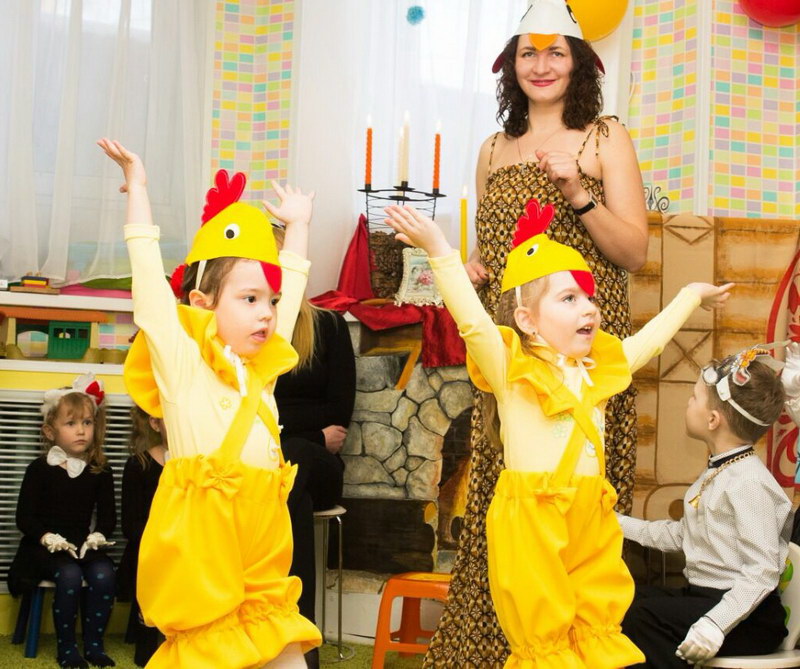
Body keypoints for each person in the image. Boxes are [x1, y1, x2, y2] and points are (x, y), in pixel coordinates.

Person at [384, 200, 731, 667]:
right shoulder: (511, 369)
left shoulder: (597, 371)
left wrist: (689, 295)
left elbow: (647, 344)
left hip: (590, 515)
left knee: (595, 628)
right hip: (533, 519)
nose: (589, 308)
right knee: (544, 639)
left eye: (589, 298)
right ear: (527, 320)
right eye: (569, 299)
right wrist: (440, 250)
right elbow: (472, 322)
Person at [429, 1, 649, 663]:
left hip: (582, 352)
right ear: (511, 63)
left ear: (578, 61)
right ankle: (500, 647)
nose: (542, 65)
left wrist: (579, 193)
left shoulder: (604, 137)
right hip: (512, 352)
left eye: (556, 51)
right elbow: (491, 250)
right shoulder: (492, 149)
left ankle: (573, 649)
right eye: (529, 52)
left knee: (574, 505)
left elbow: (634, 252)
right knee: (505, 497)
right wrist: (473, 266)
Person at [98, 138, 322, 668]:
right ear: (201, 304)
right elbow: (149, 287)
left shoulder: (261, 371)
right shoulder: (183, 367)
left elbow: (290, 293)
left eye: (269, 301)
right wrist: (139, 192)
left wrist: (299, 228)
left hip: (260, 558)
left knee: (284, 653)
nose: (267, 313)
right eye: (250, 299)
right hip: (204, 560)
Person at [619, 346, 792, 667]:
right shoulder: (720, 469)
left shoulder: (749, 483)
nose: (689, 402)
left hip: (749, 617)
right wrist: (614, 523)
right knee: (619, 601)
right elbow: (682, 536)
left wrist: (715, 624)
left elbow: (763, 571)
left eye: (694, 397)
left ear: (713, 420)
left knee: (642, 618)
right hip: (705, 597)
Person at [272, 225, 356, 669]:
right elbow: (252, 408)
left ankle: (290, 633)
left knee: (295, 458)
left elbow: (339, 412)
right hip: (275, 467)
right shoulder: (250, 333)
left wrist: (291, 430)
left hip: (317, 466)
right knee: (292, 489)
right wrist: (313, 430)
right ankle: (299, 645)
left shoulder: (329, 326)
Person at [8, 373, 116, 668]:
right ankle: (66, 647)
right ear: (49, 431)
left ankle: (94, 645)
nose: (81, 430)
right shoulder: (38, 469)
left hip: (82, 544)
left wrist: (98, 535)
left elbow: (108, 517)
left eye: (87, 422)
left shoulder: (100, 470)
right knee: (68, 575)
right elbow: (24, 517)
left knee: (105, 573)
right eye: (71, 423)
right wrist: (48, 537)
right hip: (42, 548)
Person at [118, 406, 167, 666]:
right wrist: (158, 542)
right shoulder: (139, 465)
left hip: (187, 546)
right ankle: (146, 636)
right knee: (155, 567)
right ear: (156, 424)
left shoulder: (196, 465)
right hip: (148, 546)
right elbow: (130, 524)